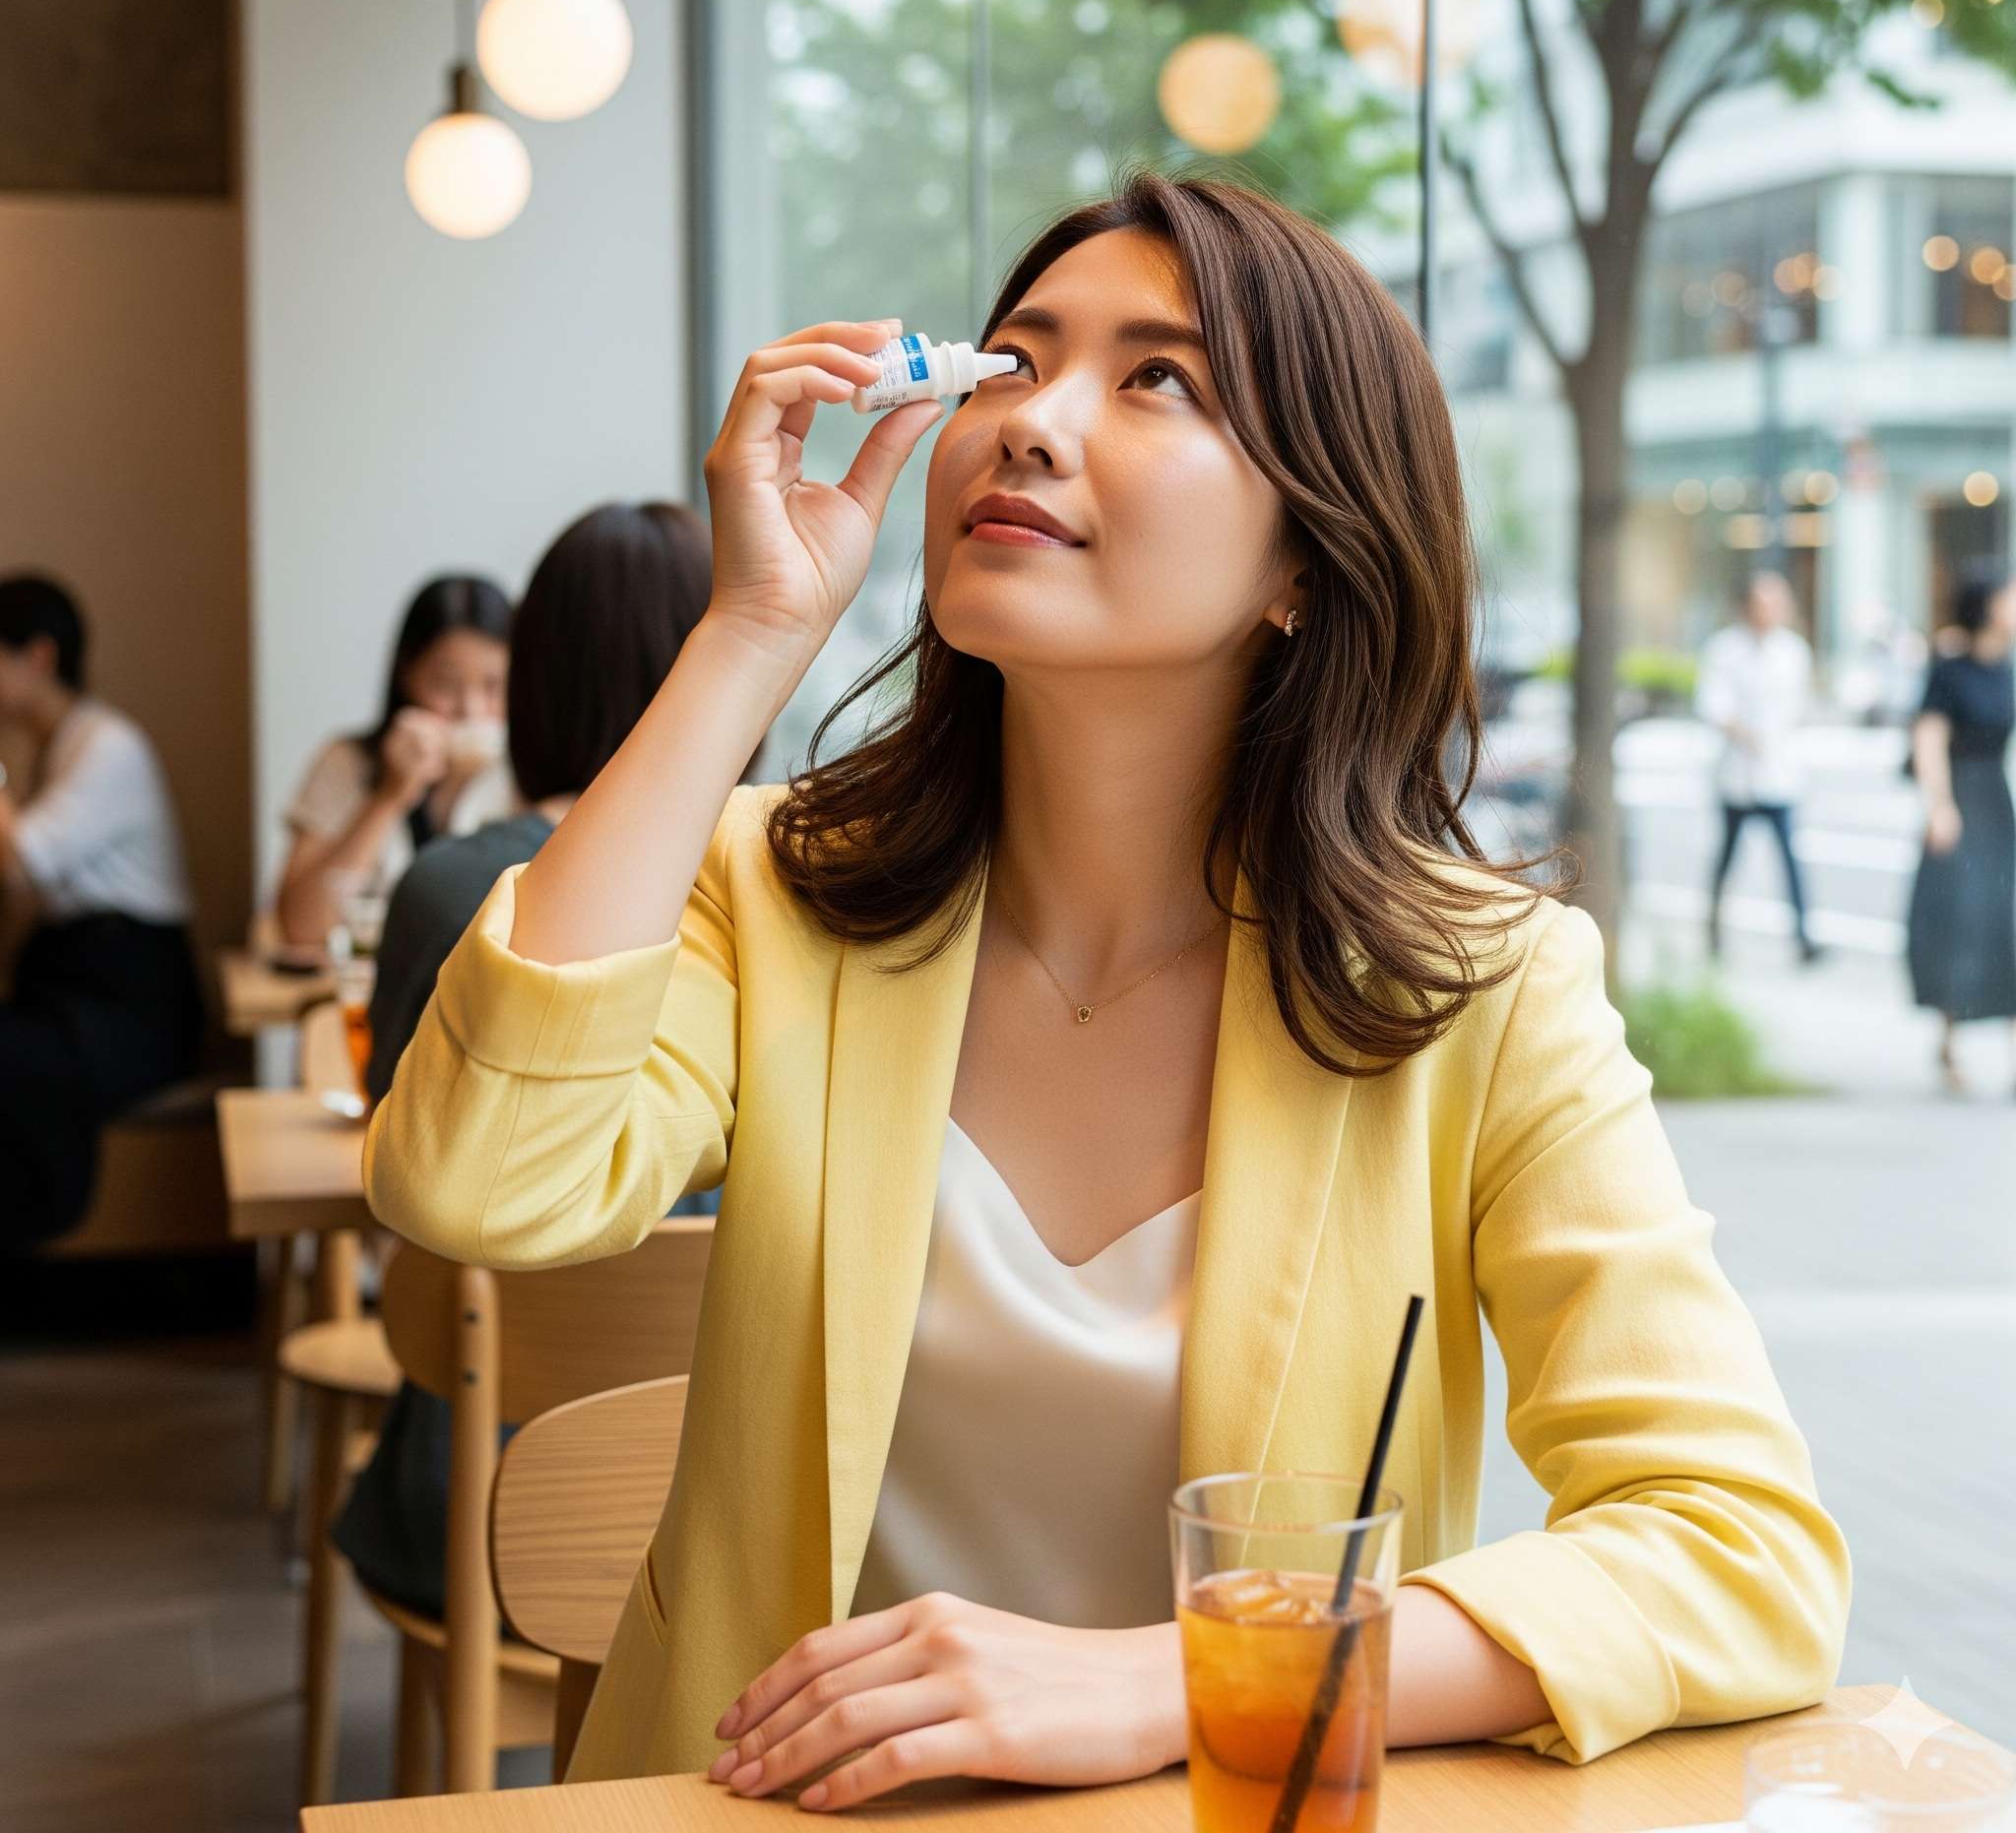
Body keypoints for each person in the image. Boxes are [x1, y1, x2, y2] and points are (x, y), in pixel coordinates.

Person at [366, 175, 1849, 1795]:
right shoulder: (774, 888)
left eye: (1159, 378)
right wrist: (746, 634)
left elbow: (1736, 1549)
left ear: (1306, 551)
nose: (1032, 420)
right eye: (1007, 361)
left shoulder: (1479, 987)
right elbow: (473, 1184)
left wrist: (1185, 1676)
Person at [332, 503, 723, 1617]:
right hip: (735, 1504)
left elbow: (394, 1174)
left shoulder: (458, 886)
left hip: (478, 1488)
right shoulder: (789, 882)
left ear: (533, 676)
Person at [0, 574, 204, 1246]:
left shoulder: (107, 745)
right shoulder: (55, 748)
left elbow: (22, 860)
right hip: (78, 992)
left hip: (130, 1007)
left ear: (37, 657)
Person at [274, 575, 514, 948]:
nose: (471, 710)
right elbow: (302, 928)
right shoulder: (347, 763)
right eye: (447, 686)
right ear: (407, 675)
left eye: (493, 686)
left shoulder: (526, 784)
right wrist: (389, 795)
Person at [1906, 571, 2016, 1096]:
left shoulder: (2008, 669)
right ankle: (1948, 1043)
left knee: (2007, 924)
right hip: (1959, 800)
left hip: (1997, 801)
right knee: (1958, 922)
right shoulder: (1949, 669)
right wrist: (1940, 806)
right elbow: (1928, 738)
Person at [1696, 570, 1821, 965]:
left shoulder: (1793, 652)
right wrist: (1744, 733)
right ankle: (1713, 926)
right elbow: (1713, 705)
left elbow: (1799, 707)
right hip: (1737, 774)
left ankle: (1803, 936)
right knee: (1728, 855)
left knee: (1789, 856)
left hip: (1779, 774)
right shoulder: (1725, 650)